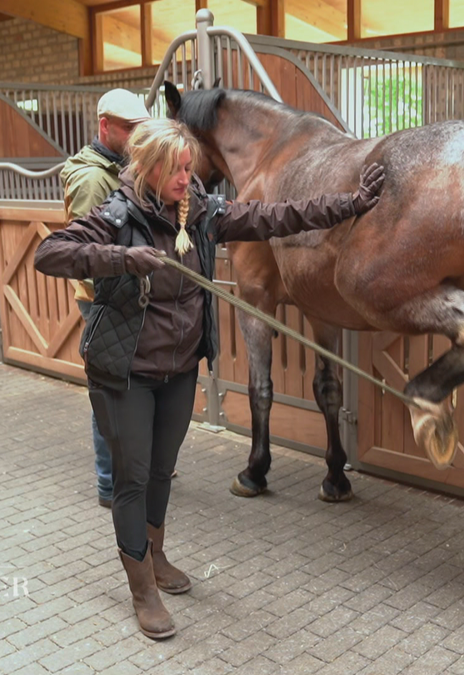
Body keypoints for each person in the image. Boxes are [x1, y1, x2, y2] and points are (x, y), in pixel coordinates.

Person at [34, 118, 384, 640]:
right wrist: (122, 259)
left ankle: (157, 555)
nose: (187, 175)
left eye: (188, 166)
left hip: (178, 368)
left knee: (161, 471)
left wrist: (351, 203)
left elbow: (275, 216)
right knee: (132, 478)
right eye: (176, 169)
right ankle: (141, 590)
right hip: (124, 371)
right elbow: (51, 253)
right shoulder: (116, 212)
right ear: (149, 169)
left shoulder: (197, 211)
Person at [60, 88, 150, 509]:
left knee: (130, 390)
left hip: (127, 295)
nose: (136, 136)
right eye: (129, 128)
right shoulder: (94, 178)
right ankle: (109, 484)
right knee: (109, 392)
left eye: (140, 128)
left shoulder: (123, 167)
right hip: (106, 300)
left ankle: (133, 471)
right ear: (105, 127)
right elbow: (89, 252)